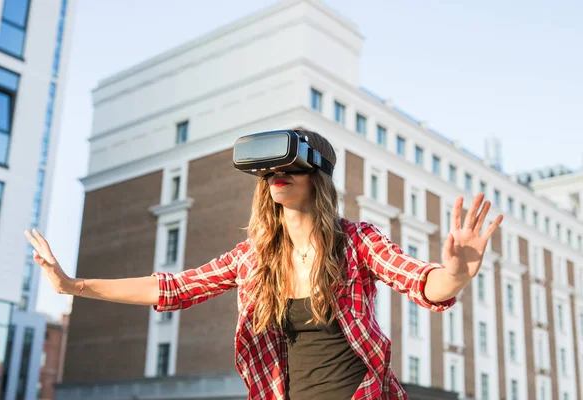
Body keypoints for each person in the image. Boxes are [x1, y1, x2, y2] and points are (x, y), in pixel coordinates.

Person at [25, 130, 503, 400]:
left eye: (288, 168)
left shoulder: (356, 242)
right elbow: (173, 288)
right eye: (268, 172)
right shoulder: (254, 256)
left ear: (317, 177)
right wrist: (72, 285)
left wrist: (458, 273)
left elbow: (424, 282)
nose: (276, 178)